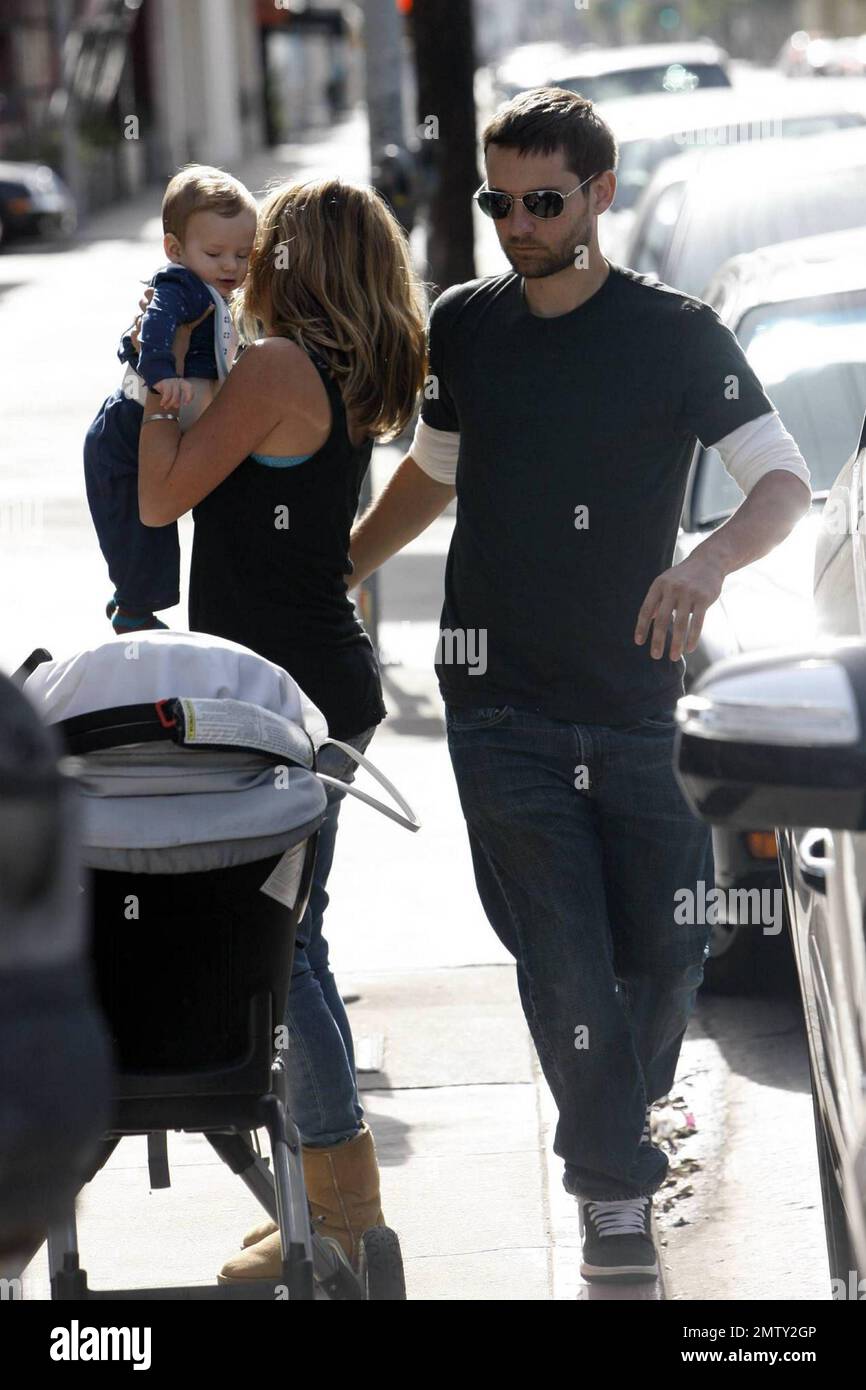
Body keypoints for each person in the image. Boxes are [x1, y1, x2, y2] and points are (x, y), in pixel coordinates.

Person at [347, 87, 813, 1283]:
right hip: (496, 700)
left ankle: (617, 1118)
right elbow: (433, 471)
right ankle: (610, 1189)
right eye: (497, 199)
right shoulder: (464, 324)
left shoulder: (675, 333)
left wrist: (703, 563)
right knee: (560, 950)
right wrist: (334, 562)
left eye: (542, 200)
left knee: (667, 956)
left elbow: (778, 482)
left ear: (598, 195)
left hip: (640, 702)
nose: (517, 222)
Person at [137, 177, 427, 1280]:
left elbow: (162, 498)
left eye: (261, 245)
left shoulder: (272, 368)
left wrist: (160, 398)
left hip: (274, 697)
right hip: (319, 681)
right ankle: (324, 1203)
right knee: (290, 937)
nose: (245, 260)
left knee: (281, 943)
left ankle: (344, 1215)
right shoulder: (350, 365)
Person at [85, 165, 257, 635]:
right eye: (216, 253)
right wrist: (163, 375)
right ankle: (133, 611)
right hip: (126, 427)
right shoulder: (180, 286)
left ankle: (133, 601)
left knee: (148, 534)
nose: (231, 267)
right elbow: (155, 331)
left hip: (159, 422)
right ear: (175, 251)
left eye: (244, 255)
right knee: (138, 529)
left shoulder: (219, 294)